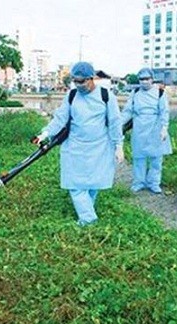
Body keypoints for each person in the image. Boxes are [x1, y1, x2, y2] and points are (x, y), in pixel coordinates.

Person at [34, 61, 124, 226]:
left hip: (100, 147)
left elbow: (115, 122)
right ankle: (88, 218)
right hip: (75, 146)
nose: (78, 84)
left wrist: (118, 145)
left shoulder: (106, 96)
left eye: (82, 81)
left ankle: (87, 211)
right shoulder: (72, 95)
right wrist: (45, 133)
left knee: (93, 183)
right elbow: (60, 118)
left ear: (91, 79)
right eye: (75, 81)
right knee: (75, 183)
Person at [121, 67, 172, 194]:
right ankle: (139, 182)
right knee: (139, 157)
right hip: (139, 126)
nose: (144, 82)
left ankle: (154, 183)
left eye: (147, 79)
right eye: (141, 79)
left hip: (156, 126)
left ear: (152, 79)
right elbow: (128, 110)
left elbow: (164, 111)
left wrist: (164, 127)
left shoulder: (160, 93)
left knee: (156, 158)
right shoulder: (135, 93)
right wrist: (119, 123)